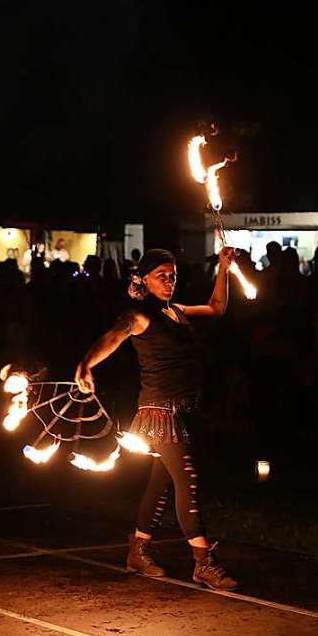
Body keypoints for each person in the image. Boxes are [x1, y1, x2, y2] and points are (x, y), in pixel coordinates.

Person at [75, 246, 240, 590]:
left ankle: (137, 551)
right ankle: (203, 562)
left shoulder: (177, 311)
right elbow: (112, 338)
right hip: (159, 413)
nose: (169, 282)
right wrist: (86, 364)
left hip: (184, 410)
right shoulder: (138, 315)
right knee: (187, 481)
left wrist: (223, 268)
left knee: (160, 483)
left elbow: (217, 307)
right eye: (161, 276)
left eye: (173, 276)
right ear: (144, 280)